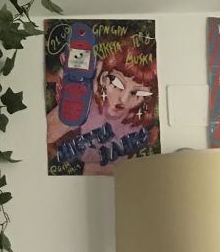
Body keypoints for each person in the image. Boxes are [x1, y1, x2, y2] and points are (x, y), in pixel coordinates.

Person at [47, 34, 158, 175]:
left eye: (137, 93)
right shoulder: (88, 106)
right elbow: (48, 134)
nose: (123, 99)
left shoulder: (137, 120)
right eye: (116, 83)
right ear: (102, 75)